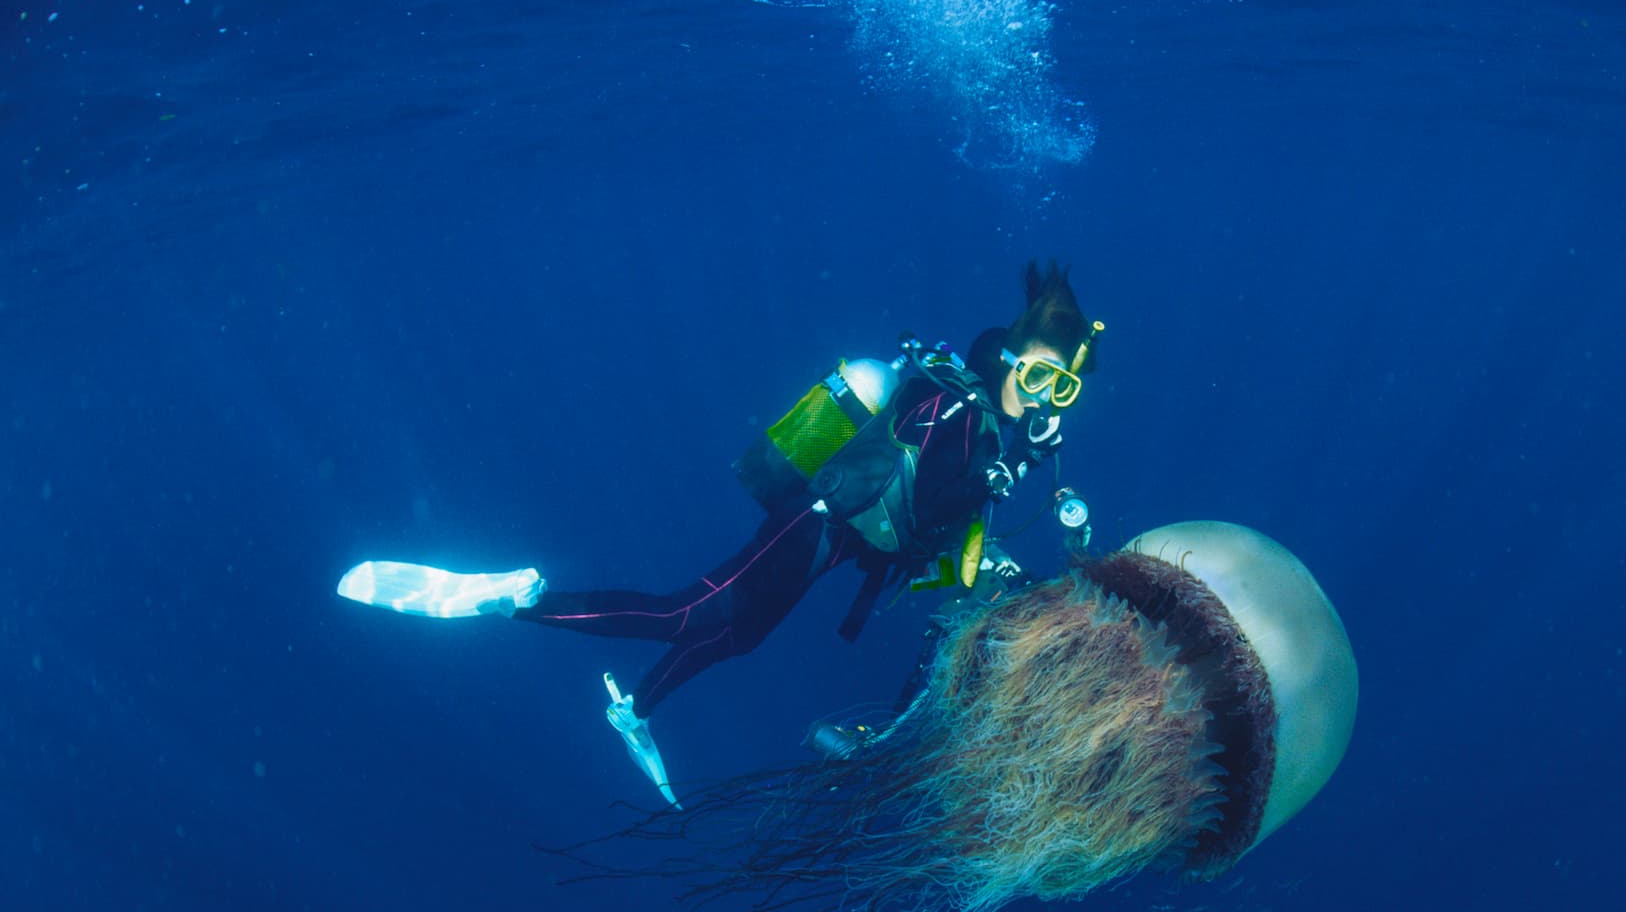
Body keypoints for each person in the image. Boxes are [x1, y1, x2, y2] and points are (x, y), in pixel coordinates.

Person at [337, 261, 1102, 803]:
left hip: (843, 543)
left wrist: (1006, 488)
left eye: (1060, 385)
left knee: (739, 638)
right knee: (684, 614)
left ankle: (634, 711)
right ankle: (513, 599)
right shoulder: (954, 407)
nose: (1043, 396)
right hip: (817, 523)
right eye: (1036, 376)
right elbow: (931, 481)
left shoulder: (1004, 437)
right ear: (1004, 359)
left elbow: (941, 527)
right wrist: (991, 482)